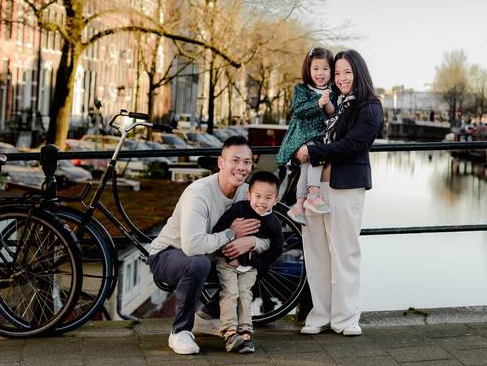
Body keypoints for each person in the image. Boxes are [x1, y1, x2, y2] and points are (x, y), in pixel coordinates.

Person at [148, 135, 268, 355]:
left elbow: (270, 230)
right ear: (221, 163)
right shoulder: (199, 193)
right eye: (235, 160)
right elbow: (192, 247)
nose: (241, 167)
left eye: (247, 162)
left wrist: (251, 241)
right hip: (169, 254)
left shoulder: (249, 193)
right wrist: (232, 233)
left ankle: (205, 318)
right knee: (197, 263)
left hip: (213, 254)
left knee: (257, 260)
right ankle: (180, 331)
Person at [295, 49, 383, 336]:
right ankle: (321, 314)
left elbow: (353, 145)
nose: (342, 78)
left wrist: (314, 151)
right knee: (316, 252)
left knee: (345, 253)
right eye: (337, 74)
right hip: (316, 187)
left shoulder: (369, 106)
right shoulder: (333, 103)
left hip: (346, 188)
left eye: (347, 72)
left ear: (358, 73)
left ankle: (346, 318)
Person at [210, 171, 284, 354]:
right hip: (227, 261)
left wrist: (257, 262)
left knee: (245, 295)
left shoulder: (273, 223)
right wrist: (229, 255)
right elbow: (219, 230)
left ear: (276, 199)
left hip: (250, 267)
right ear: (248, 194)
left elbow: (276, 249)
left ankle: (245, 334)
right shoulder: (239, 210)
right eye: (257, 196)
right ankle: (229, 332)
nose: (262, 201)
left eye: (268, 197)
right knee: (230, 293)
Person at [276, 47, 336, 225]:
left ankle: (299, 205)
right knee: (317, 158)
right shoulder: (301, 89)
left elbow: (332, 113)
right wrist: (317, 103)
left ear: (331, 71)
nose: (320, 73)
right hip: (303, 135)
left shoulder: (331, 91)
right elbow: (298, 110)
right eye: (316, 68)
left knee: (305, 168)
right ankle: (314, 195)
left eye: (325, 69)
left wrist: (327, 103)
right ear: (308, 70)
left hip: (319, 136)